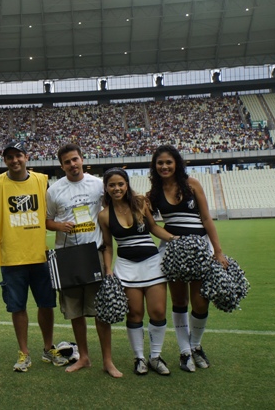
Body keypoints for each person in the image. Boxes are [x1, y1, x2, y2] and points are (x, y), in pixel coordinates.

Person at [147, 144, 228, 373]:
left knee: (201, 301)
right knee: (180, 302)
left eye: (168, 162)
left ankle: (196, 345)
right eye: (160, 163)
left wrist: (218, 251)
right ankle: (184, 352)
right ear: (155, 166)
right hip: (173, 250)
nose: (164, 166)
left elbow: (206, 218)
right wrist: (173, 239)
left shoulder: (192, 184)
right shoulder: (154, 192)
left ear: (177, 164)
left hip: (201, 248)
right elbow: (150, 224)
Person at [45, 144, 122, 377]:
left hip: (93, 254)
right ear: (61, 165)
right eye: (67, 162)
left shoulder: (98, 185)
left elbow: (112, 209)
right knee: (75, 312)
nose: (72, 164)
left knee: (100, 311)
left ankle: (107, 361)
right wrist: (59, 225)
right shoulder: (54, 190)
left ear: (82, 159)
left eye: (75, 159)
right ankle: (85, 357)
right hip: (66, 257)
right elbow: (47, 221)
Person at [0, 142, 57, 372]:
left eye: (18, 156)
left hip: (39, 255)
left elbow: (57, 206)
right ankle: (24, 353)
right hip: (12, 257)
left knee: (46, 305)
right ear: (4, 160)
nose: (15, 160)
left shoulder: (42, 181)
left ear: (26, 157)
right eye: (10, 157)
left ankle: (48, 348)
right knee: (17, 307)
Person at [98, 167, 178, 376]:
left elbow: (153, 228)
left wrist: (173, 238)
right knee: (134, 314)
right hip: (126, 267)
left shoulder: (140, 203)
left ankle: (155, 357)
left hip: (152, 263)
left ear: (127, 185)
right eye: (112, 185)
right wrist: (108, 270)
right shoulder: (104, 215)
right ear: (106, 188)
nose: (117, 188)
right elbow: (107, 245)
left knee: (158, 312)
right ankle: (139, 358)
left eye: (120, 184)